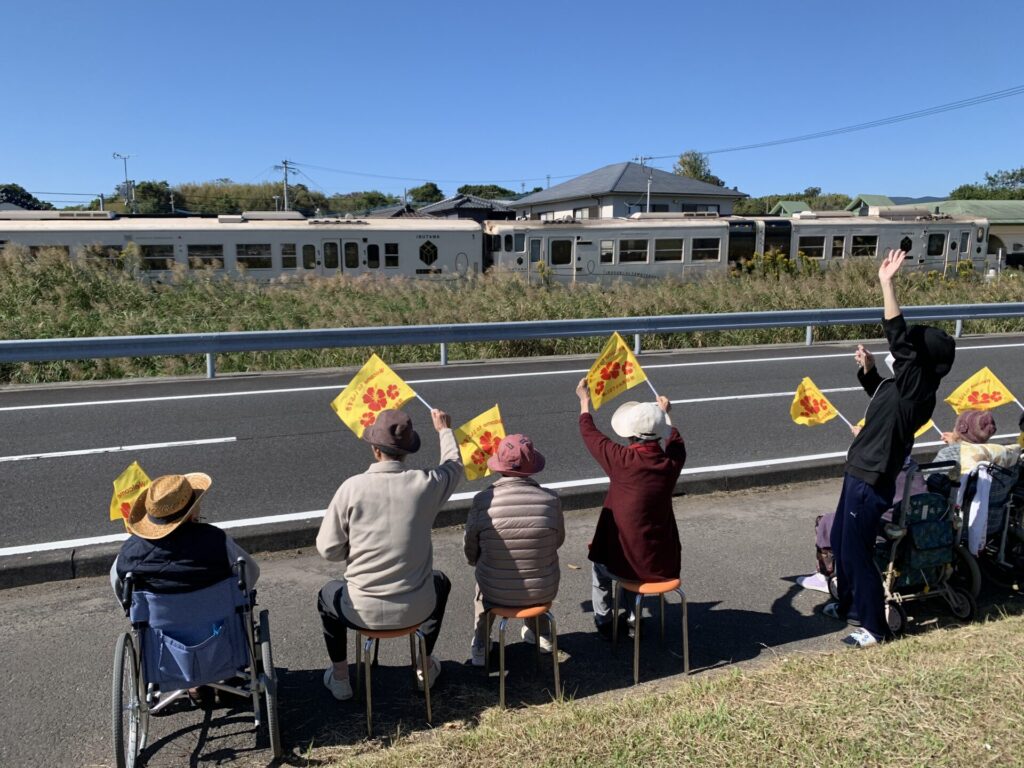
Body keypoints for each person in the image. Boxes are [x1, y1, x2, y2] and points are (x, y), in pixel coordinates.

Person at [825, 249, 955, 647]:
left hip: (872, 477)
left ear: (920, 361)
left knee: (858, 552)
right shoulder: (902, 387)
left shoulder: (919, 390)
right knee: (843, 544)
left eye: (913, 350)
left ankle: (873, 628)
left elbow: (898, 337)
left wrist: (887, 283)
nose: (905, 351)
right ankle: (847, 603)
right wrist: (867, 371)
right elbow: (881, 395)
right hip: (857, 470)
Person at [316, 408, 461, 701]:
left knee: (325, 595)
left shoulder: (352, 487)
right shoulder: (426, 484)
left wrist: (352, 549)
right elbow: (455, 465)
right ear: (408, 451)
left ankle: (341, 677)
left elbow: (328, 549)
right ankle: (423, 667)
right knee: (440, 582)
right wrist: (444, 429)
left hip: (360, 609)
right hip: (416, 608)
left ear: (374, 448)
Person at [575, 378, 686, 640]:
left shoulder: (622, 460)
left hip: (623, 560)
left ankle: (604, 619)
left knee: (601, 567)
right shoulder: (671, 463)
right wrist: (665, 416)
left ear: (629, 433)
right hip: (661, 562)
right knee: (637, 555)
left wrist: (584, 401)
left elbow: (590, 434)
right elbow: (676, 441)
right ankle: (634, 615)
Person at [464, 434, 564, 665]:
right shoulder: (551, 499)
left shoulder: (483, 501)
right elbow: (558, 540)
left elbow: (471, 548)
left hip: (495, 591)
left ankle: (480, 644)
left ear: (499, 466)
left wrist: (477, 561)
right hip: (543, 590)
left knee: (483, 585)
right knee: (537, 566)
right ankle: (543, 634)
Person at [110, 472, 260, 597]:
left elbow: (121, 592)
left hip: (160, 630)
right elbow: (251, 572)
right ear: (191, 514)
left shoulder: (129, 552)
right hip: (220, 627)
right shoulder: (216, 540)